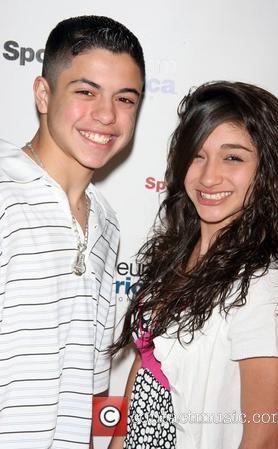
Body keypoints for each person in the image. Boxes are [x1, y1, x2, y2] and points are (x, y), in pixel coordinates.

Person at [109, 81, 278, 449]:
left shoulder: (264, 283)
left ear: (267, 170)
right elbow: (147, 371)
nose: (209, 176)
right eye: (197, 155)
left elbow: (263, 438)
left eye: (233, 157)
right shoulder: (177, 255)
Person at [0, 15, 144, 449]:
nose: (106, 115)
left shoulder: (107, 221)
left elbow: (93, 380)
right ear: (43, 94)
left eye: (125, 99)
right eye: (86, 92)